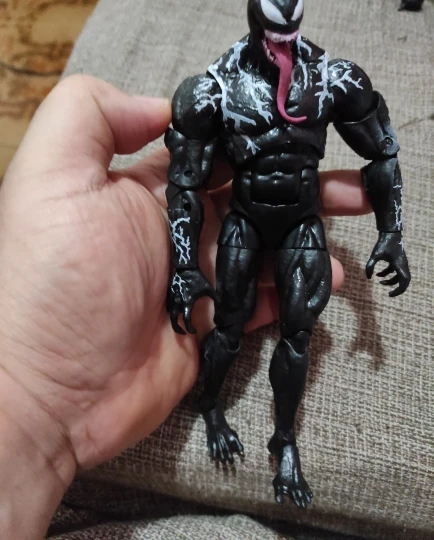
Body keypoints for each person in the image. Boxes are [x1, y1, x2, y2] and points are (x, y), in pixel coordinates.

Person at [0, 74, 372, 540]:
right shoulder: (220, 85)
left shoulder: (328, 80)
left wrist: (392, 235)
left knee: (297, 334)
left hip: (297, 222)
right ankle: (212, 407)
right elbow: (183, 177)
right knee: (230, 326)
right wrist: (184, 267)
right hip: (237, 225)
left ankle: (285, 440)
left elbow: (381, 149)